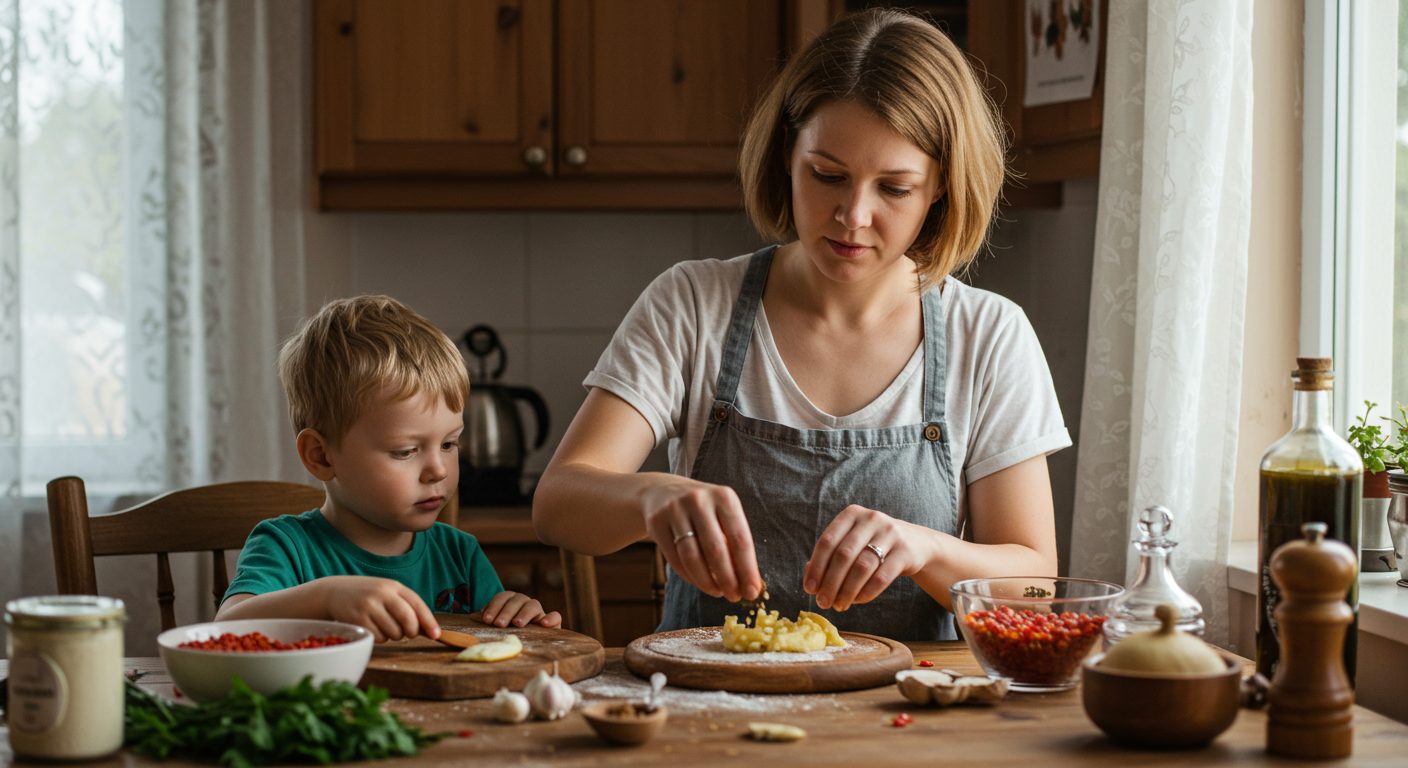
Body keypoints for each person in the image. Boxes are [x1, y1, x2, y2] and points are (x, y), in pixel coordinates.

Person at [532, 8, 1068, 641]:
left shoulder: (990, 335)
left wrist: (926, 550)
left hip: (907, 722)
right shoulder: (693, 303)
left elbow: (1036, 592)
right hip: (710, 711)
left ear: (941, 188)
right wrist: (651, 498)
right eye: (828, 175)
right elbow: (559, 504)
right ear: (788, 157)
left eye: (894, 188)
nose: (853, 215)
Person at [217, 295, 562, 641]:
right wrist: (328, 596)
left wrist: (515, 616)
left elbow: (493, 649)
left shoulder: (460, 555)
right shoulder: (285, 547)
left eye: (449, 444)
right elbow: (225, 630)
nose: (438, 470)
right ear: (321, 456)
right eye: (406, 451)